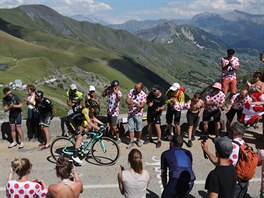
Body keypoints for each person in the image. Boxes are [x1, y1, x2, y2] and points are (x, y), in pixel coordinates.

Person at [202, 122, 250, 197]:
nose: (228, 132)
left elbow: (219, 161)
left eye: (229, 130)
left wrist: (206, 150)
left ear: (233, 132)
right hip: (242, 182)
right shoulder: (244, 144)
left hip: (232, 183)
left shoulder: (232, 146)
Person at [67, 99, 104, 164]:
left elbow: (93, 118)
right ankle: (75, 156)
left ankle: (78, 141)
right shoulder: (85, 110)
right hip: (71, 121)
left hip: (78, 121)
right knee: (80, 137)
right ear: (90, 107)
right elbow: (89, 121)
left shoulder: (90, 111)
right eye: (94, 108)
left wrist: (103, 124)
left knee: (88, 127)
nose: (95, 109)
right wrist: (98, 128)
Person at [126, 82, 147, 149]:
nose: (135, 89)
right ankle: (131, 141)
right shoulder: (131, 91)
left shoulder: (143, 95)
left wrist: (136, 105)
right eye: (135, 87)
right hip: (131, 112)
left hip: (138, 114)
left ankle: (138, 140)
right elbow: (127, 100)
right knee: (130, 128)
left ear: (141, 89)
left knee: (139, 129)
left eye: (137, 89)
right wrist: (130, 103)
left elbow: (142, 105)